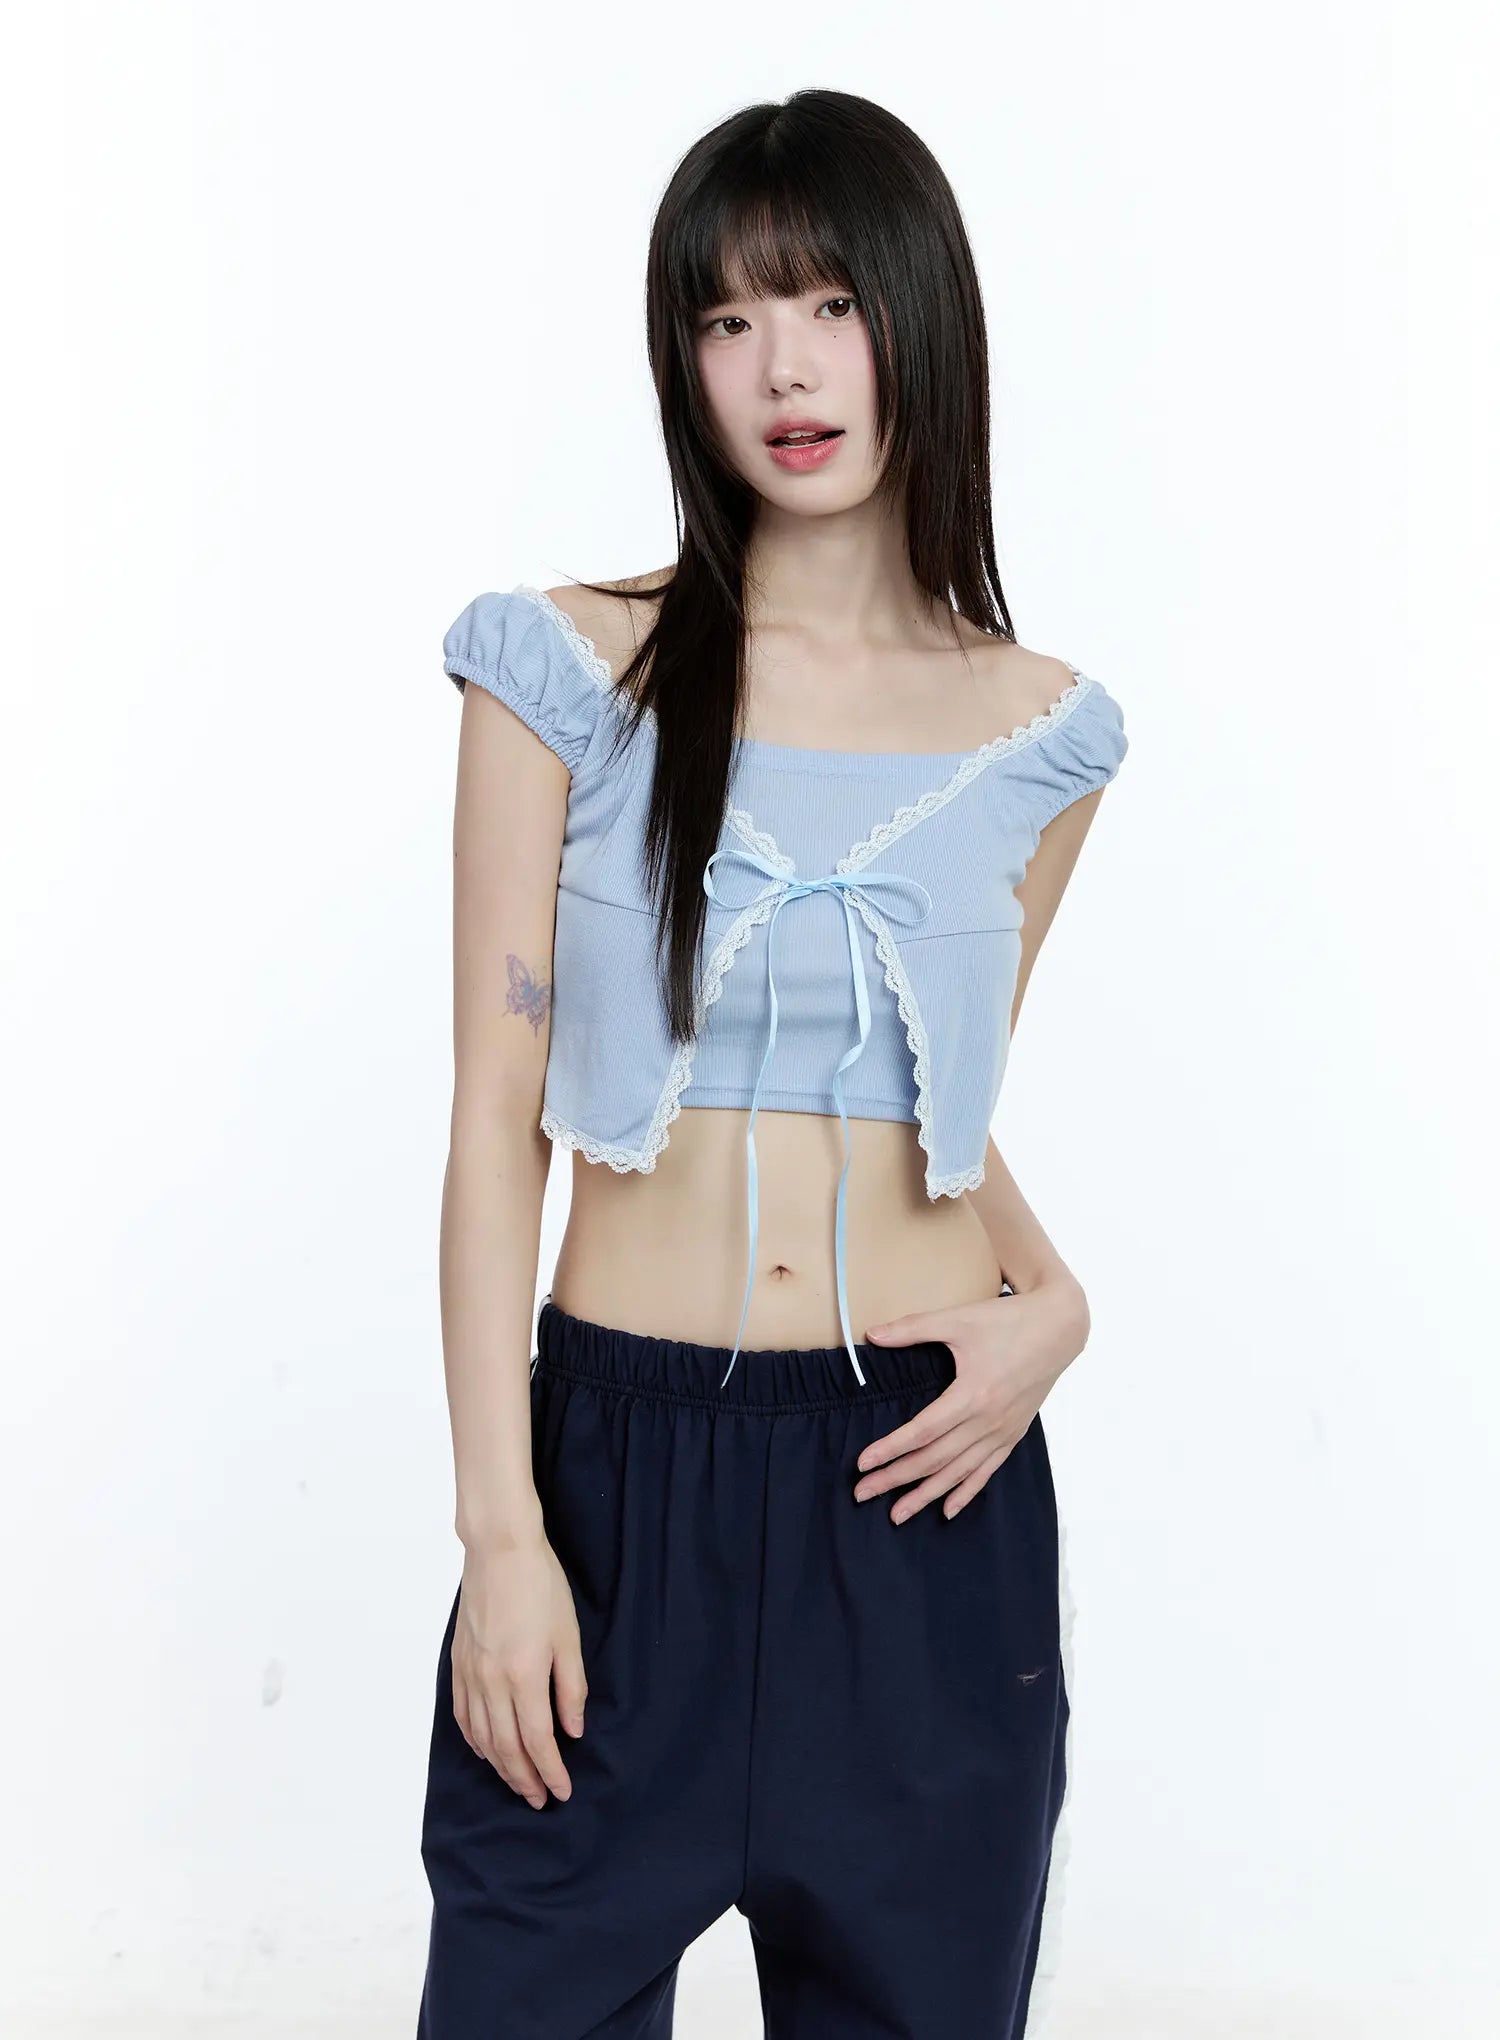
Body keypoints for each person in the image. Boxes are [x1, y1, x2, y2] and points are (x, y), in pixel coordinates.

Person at [416, 87, 1129, 2040]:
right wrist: (503, 1533)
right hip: (615, 1488)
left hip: (920, 1496)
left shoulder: (1041, 739)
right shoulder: (565, 671)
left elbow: (930, 1109)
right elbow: (493, 1123)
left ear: (919, 320)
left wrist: (1055, 1303)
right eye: (727, 319)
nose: (784, 368)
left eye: (827, 303)